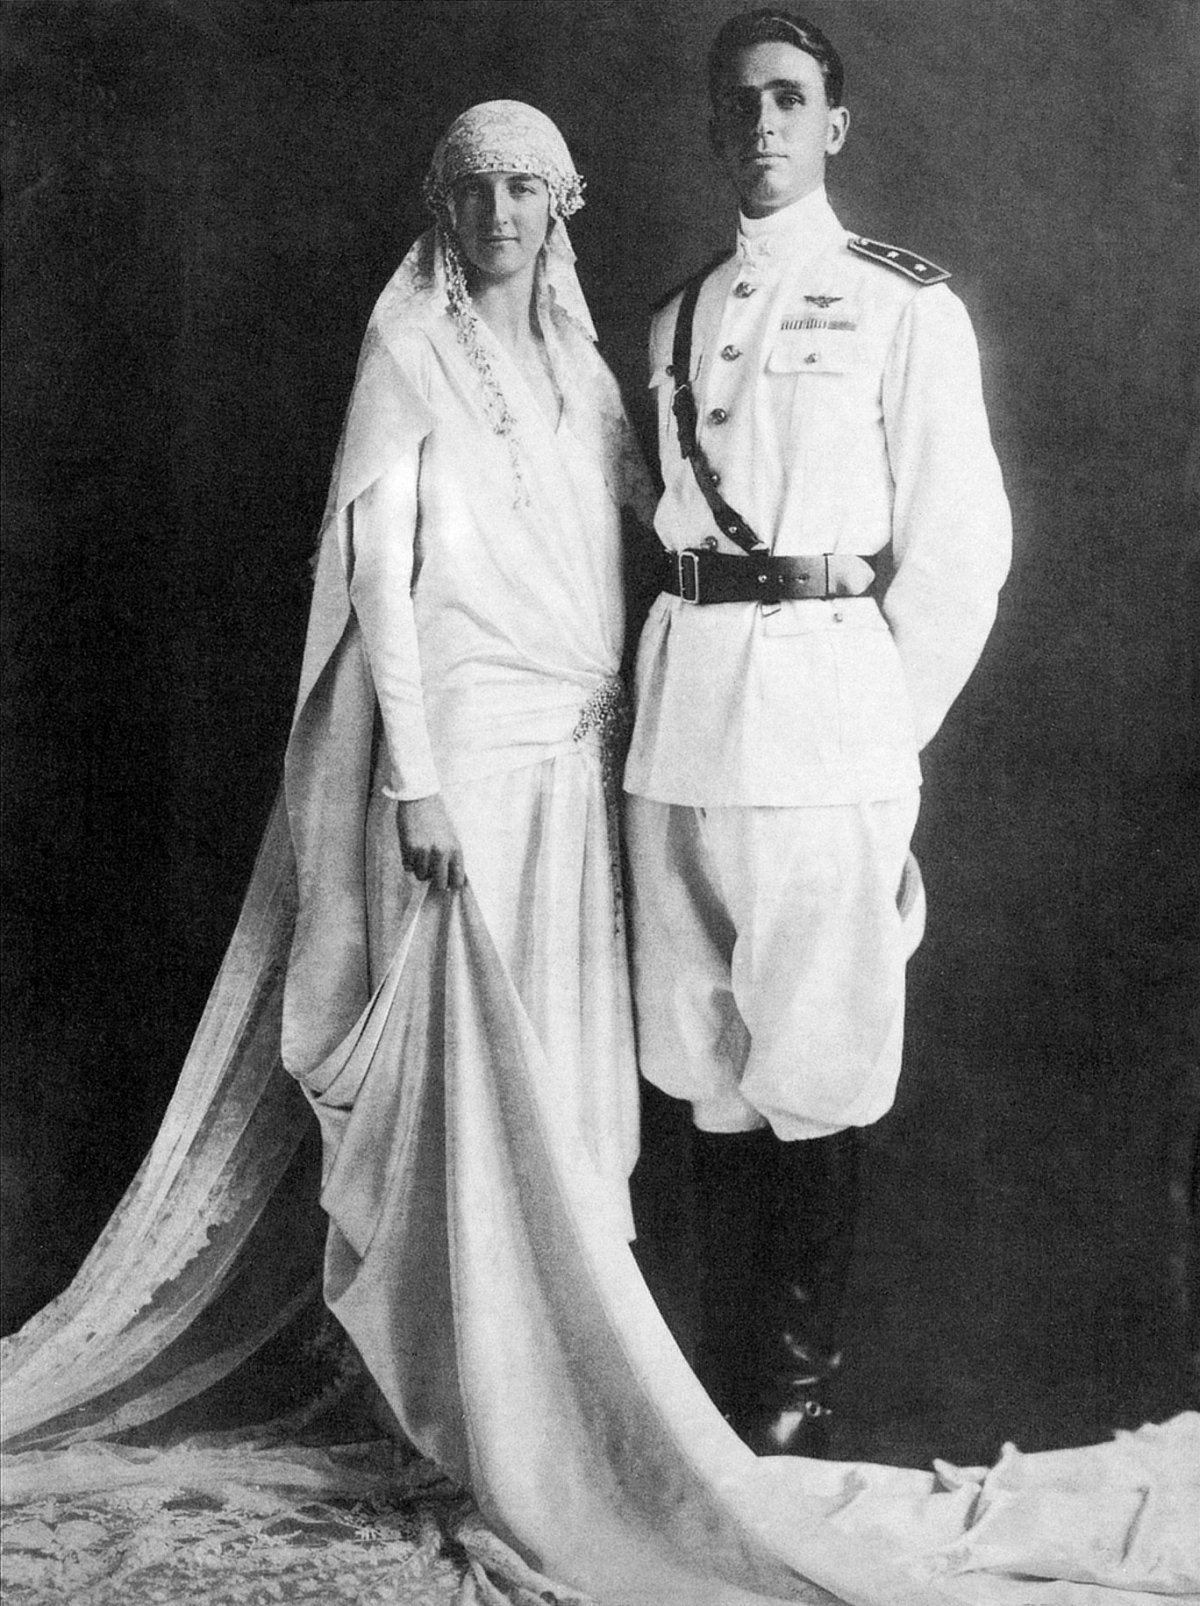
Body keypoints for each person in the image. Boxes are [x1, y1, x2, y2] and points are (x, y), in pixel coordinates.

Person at [623, 10, 1013, 1457]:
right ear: (713, 128)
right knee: (698, 1046)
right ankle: (720, 1384)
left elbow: (962, 549)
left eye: (790, 100)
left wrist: (877, 735)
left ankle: (790, 1395)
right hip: (682, 714)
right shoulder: (673, 319)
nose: (764, 126)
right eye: (740, 104)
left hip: (823, 720)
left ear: (834, 125)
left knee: (817, 1048)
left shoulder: (903, 306)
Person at [281, 99, 654, 1457]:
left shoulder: (585, 366)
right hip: (469, 748)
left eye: (526, 188)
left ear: (561, 206)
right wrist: (416, 781)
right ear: (444, 208)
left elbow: (646, 524)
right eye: (478, 189)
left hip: (580, 750)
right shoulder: (411, 352)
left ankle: (564, 1388)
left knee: (563, 1053)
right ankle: (453, 1396)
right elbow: (379, 579)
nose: (502, 213)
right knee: (468, 1064)